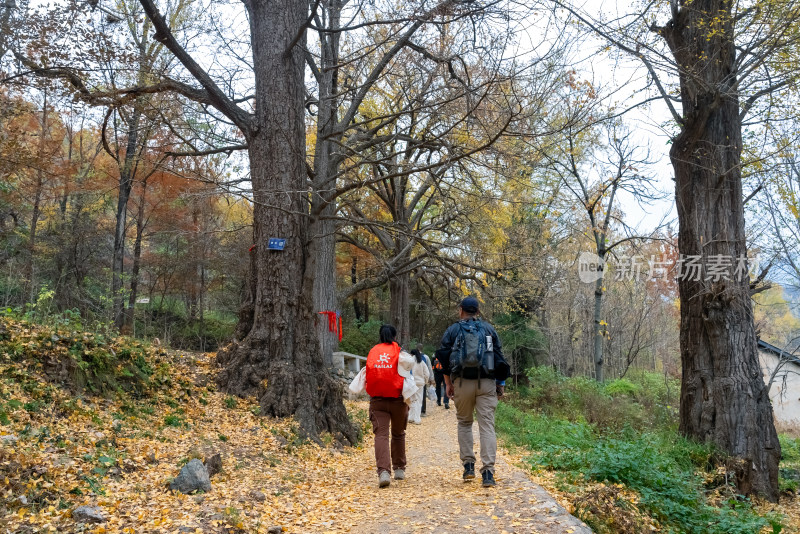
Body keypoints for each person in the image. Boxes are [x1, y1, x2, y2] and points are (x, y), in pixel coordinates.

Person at [435, 296, 510, 488]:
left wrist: (448, 384)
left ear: (461, 310)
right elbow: (499, 357)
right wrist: (500, 384)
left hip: (461, 382)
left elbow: (442, 359)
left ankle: (468, 466)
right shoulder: (488, 329)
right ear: (477, 311)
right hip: (486, 383)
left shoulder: (452, 330)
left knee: (465, 423)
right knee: (487, 427)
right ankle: (488, 473)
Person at [365, 324, 413, 487]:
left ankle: (384, 472)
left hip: (377, 400)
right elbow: (408, 376)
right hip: (398, 400)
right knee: (398, 434)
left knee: (381, 436)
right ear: (394, 336)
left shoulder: (373, 351)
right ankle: (399, 469)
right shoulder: (400, 352)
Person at [408, 348, 431, 424]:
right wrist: (425, 381)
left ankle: (410, 417)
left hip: (411, 383)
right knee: (418, 400)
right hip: (420, 384)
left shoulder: (409, 361)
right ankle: (417, 419)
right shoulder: (421, 362)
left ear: (412, 354)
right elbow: (427, 373)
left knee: (411, 400)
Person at [416, 343, 434, 417]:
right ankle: (423, 411)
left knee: (414, 395)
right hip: (423, 379)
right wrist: (431, 379)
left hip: (414, 379)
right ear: (422, 348)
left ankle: (415, 411)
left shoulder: (412, 357)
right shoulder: (425, 357)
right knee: (422, 395)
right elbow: (429, 368)